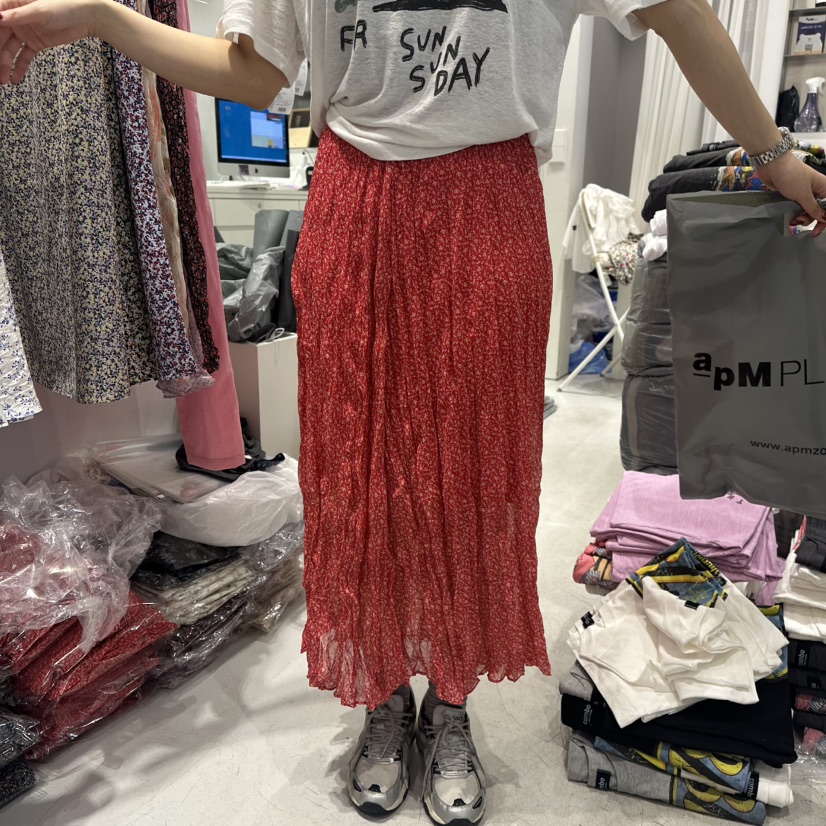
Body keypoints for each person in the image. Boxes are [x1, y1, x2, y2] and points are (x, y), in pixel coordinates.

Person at [0, 1, 823, 822]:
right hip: (354, 199)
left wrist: (774, 155)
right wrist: (105, 17)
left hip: (491, 208)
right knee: (361, 479)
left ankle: (452, 699)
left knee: (474, 478)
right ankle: (385, 694)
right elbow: (254, 74)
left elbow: (678, 11)